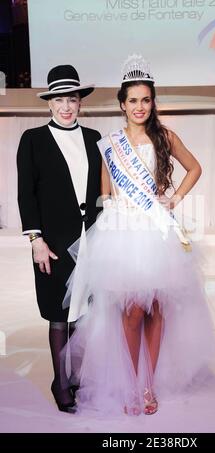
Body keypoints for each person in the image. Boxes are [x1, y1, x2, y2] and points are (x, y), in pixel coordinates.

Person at [63, 55, 215, 416]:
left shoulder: (164, 137)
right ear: (122, 104)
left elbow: (195, 168)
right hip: (125, 235)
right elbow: (105, 195)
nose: (140, 107)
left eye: (146, 100)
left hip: (157, 232)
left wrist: (174, 199)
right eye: (133, 100)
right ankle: (132, 381)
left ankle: (149, 385)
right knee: (131, 312)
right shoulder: (111, 144)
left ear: (153, 102)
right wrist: (115, 217)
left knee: (157, 310)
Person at [17, 65, 102, 413]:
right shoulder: (33, 139)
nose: (66, 106)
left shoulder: (96, 138)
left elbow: (104, 189)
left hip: (93, 240)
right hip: (52, 243)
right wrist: (35, 238)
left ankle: (76, 376)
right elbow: (27, 194)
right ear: (49, 103)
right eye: (59, 100)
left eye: (72, 99)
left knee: (85, 314)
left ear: (80, 102)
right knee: (59, 315)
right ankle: (60, 381)